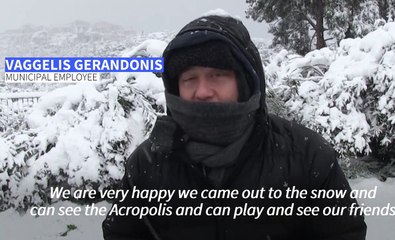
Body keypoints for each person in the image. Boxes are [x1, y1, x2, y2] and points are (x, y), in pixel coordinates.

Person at [102, 15, 367, 240]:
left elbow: (344, 233)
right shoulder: (148, 164)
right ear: (174, 89)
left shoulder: (306, 156)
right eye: (190, 79)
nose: (203, 91)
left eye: (218, 75)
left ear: (246, 83)